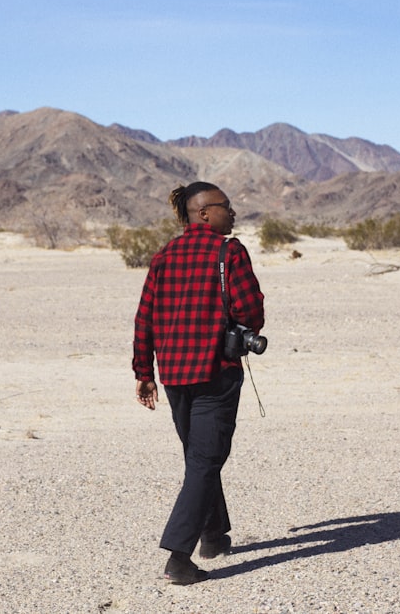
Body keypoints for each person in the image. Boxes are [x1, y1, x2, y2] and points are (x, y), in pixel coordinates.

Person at [132, 181, 265, 585]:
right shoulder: (230, 251)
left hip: (173, 377)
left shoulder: (164, 255)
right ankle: (178, 557)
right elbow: (251, 311)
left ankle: (213, 534)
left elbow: (145, 318)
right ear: (204, 213)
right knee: (205, 462)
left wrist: (144, 373)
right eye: (226, 206)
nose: (233, 212)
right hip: (215, 375)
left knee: (199, 458)